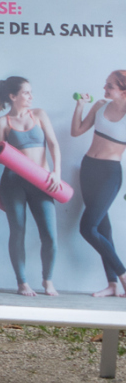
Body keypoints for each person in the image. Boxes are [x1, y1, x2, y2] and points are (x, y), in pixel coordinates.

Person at [0, 76, 60, 296]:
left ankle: (47, 280)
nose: (31, 96)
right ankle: (22, 283)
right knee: (18, 231)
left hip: (42, 181)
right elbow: (0, 157)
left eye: (31, 92)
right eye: (26, 93)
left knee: (50, 235)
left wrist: (56, 173)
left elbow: (53, 144)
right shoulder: (2, 123)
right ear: (13, 96)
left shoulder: (39, 115)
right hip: (13, 183)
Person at [71, 71, 126, 298]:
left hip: (110, 173)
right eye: (105, 84)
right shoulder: (101, 106)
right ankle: (112, 284)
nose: (104, 89)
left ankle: (123, 276)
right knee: (102, 228)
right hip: (88, 168)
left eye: (110, 86)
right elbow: (76, 132)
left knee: (87, 228)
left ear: (123, 90)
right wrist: (80, 106)